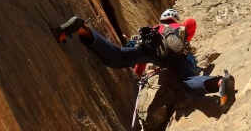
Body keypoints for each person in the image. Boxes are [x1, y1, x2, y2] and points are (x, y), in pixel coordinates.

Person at [53, 9, 236, 111]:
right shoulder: (179, 26)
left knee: (117, 58)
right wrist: (184, 32)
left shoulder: (155, 27)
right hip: (175, 54)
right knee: (188, 81)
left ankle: (83, 29)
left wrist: (138, 74)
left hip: (151, 45)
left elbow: (140, 63)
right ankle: (220, 83)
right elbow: (191, 23)